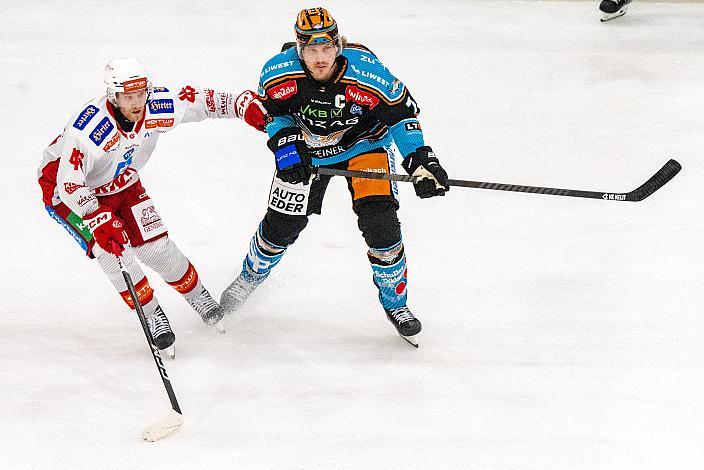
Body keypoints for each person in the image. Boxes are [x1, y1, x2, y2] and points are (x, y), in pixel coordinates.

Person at [221, 7, 450, 346]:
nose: (320, 58)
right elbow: (271, 114)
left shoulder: (368, 73)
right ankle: (248, 278)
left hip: (366, 147)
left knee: (380, 222)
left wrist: (420, 160)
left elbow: (401, 115)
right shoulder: (277, 73)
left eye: (326, 48)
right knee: (282, 225)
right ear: (299, 49)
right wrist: (286, 147)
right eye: (311, 50)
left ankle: (396, 305)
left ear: (338, 44)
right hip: (308, 152)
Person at [38, 57, 253, 352]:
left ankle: (199, 296)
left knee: (156, 248)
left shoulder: (156, 105)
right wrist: (96, 217)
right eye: (128, 97)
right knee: (113, 254)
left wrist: (243, 104)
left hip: (122, 181)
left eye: (141, 94)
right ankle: (152, 315)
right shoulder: (89, 128)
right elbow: (69, 181)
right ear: (114, 96)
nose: (137, 103)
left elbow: (201, 102)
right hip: (69, 193)